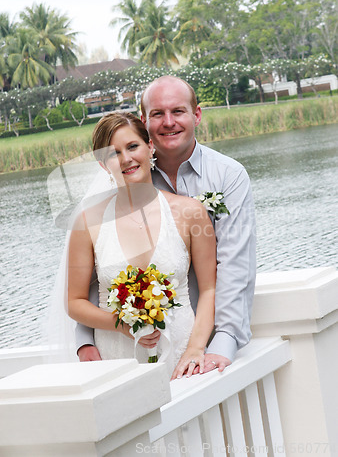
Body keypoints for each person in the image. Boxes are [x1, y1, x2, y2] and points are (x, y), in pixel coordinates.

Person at [76, 76, 256, 374]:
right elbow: (99, 270)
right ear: (145, 122)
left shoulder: (228, 176)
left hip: (196, 340)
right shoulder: (130, 177)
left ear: (196, 115)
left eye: (179, 111)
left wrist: (222, 344)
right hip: (123, 344)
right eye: (158, 114)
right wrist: (85, 338)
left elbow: (234, 267)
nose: (169, 122)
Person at [67, 112, 216, 379]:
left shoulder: (190, 212)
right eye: (113, 154)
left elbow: (208, 289)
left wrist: (196, 348)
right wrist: (120, 324)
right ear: (103, 165)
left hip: (182, 357)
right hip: (117, 357)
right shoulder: (87, 221)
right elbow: (75, 302)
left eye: (133, 146)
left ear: (150, 147)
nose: (126, 159)